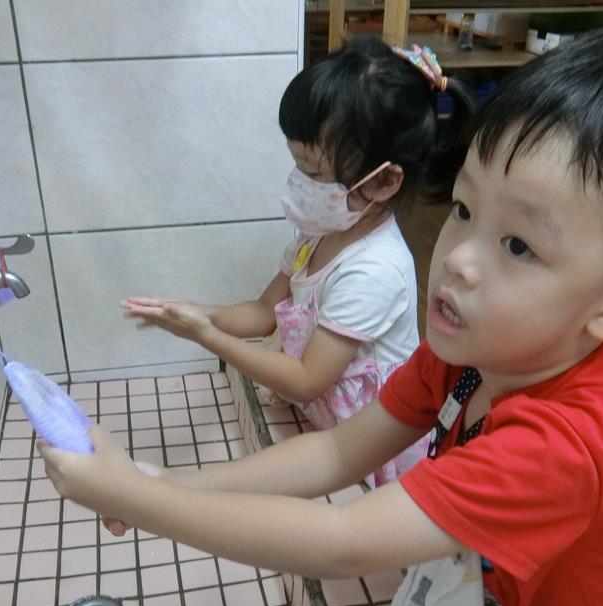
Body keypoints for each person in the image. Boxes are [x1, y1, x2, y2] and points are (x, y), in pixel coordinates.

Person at [41, 19, 603, 606]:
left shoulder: (569, 438)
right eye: (464, 211)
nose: (457, 260)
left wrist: (141, 502)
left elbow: (342, 541)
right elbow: (335, 453)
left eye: (518, 246)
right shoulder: (470, 356)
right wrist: (165, 483)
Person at [122, 34, 473, 487]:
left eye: (313, 172)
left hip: (369, 445)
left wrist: (207, 336)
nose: (298, 183)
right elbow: (263, 311)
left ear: (384, 181)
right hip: (328, 423)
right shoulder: (320, 233)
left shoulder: (375, 271)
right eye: (297, 165)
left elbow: (307, 379)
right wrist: (196, 312)